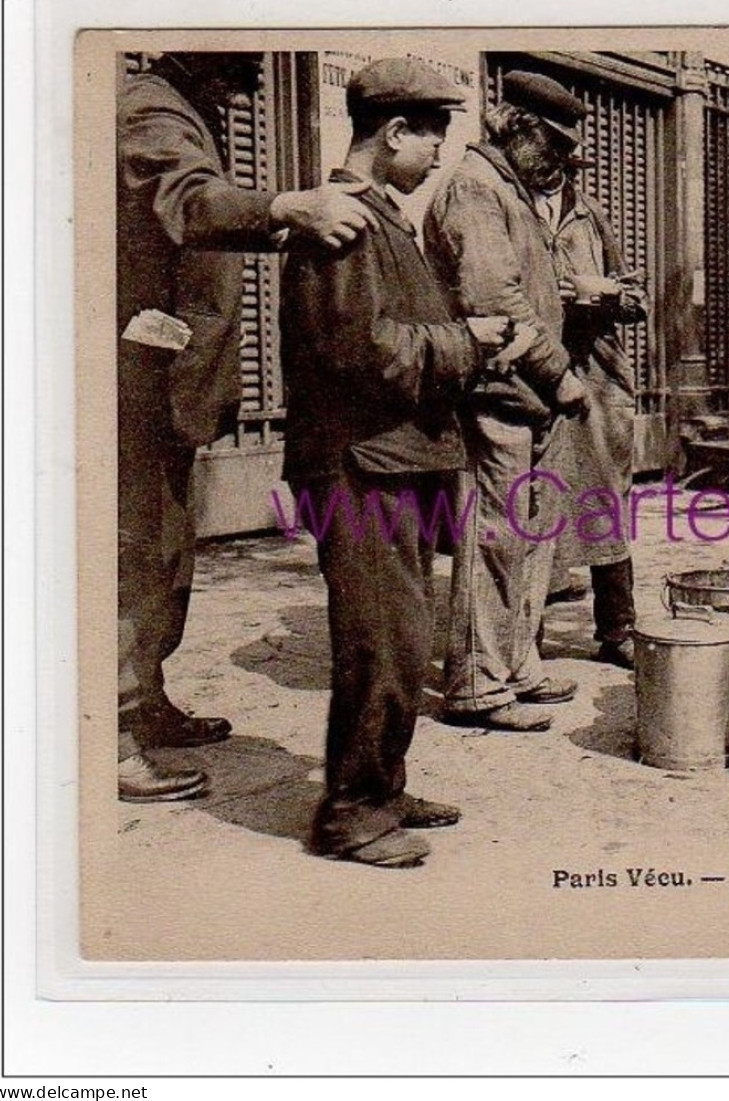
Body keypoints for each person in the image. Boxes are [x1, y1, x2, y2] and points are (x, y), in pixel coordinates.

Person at [280, 58, 531, 868]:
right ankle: (351, 812)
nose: (436, 156)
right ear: (393, 134)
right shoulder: (345, 223)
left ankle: (380, 784)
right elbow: (364, 350)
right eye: (432, 137)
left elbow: (395, 333)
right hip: (360, 465)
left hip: (397, 458)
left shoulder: (382, 217)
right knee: (378, 642)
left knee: (400, 634)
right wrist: (472, 341)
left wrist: (468, 339)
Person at [116, 52, 380, 802]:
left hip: (173, 385)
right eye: (238, 71)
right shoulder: (149, 109)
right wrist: (283, 208)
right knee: (125, 560)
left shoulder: (183, 106)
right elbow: (193, 203)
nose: (252, 88)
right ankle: (106, 731)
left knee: (165, 555)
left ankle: (146, 701)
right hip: (137, 385)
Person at [422, 70, 593, 733]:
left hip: (528, 396)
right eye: (552, 143)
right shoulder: (474, 188)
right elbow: (492, 296)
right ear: (517, 127)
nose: (561, 160)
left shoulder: (510, 191)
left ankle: (517, 665)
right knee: (493, 537)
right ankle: (476, 684)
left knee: (531, 538)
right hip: (494, 392)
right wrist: (559, 373)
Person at [512, 74, 649, 670]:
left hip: (593, 376)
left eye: (569, 158)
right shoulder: (502, 204)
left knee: (602, 501)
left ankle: (617, 628)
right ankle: (523, 638)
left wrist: (602, 295)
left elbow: (637, 300)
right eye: (553, 153)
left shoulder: (588, 215)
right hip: (528, 372)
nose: (560, 168)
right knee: (533, 503)